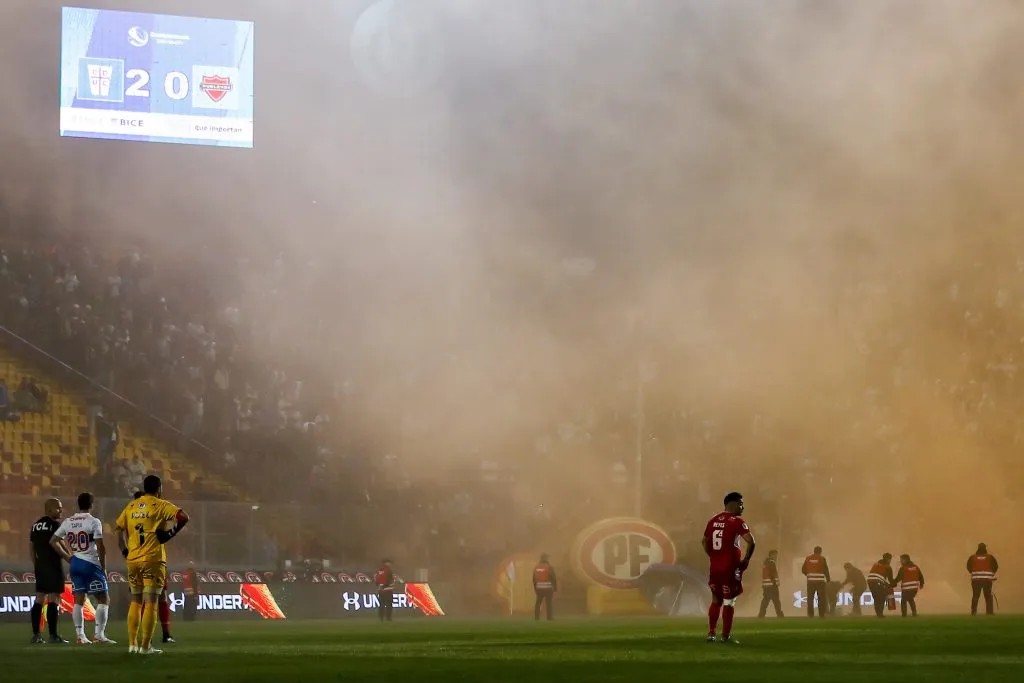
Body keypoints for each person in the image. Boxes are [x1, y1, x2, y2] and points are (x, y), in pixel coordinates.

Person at [115, 475, 189, 655]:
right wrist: (169, 534)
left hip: (133, 560)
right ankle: (146, 646)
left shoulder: (131, 506)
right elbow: (183, 517)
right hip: (152, 559)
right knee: (151, 602)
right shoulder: (161, 504)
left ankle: (132, 644)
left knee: (136, 601)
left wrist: (125, 550)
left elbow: (118, 528)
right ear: (159, 488)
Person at [50, 492, 115, 644]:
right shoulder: (94, 522)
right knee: (103, 599)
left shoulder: (68, 521)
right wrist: (103, 567)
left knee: (78, 600)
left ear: (78, 505)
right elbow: (100, 546)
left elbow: (53, 540)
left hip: (75, 563)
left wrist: (68, 558)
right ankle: (99, 635)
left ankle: (80, 636)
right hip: (91, 564)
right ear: (92, 505)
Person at [702, 491, 756, 644]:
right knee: (729, 601)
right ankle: (726, 636)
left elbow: (704, 541)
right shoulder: (737, 522)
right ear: (732, 504)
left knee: (715, 600)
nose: (743, 507)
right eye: (740, 503)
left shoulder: (712, 520)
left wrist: (713, 556)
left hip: (715, 567)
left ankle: (711, 634)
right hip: (730, 568)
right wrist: (745, 560)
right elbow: (751, 542)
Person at [133, 490, 175, 643]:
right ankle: (163, 634)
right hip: (153, 560)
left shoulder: (130, 516)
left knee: (142, 598)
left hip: (136, 561)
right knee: (158, 597)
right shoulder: (153, 515)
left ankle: (147, 636)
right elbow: (164, 531)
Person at [30, 498, 72, 644]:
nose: (61, 511)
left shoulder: (36, 525)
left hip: (41, 566)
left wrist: (36, 565)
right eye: (58, 508)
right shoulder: (54, 525)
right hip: (53, 565)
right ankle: (53, 636)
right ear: (49, 509)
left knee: (40, 598)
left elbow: (32, 547)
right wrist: (70, 559)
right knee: (54, 598)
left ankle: (36, 635)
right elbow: (57, 544)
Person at [967, 543, 998, 616]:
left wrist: (973, 572)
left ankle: (973, 612)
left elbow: (968, 566)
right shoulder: (990, 557)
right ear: (985, 548)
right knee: (988, 596)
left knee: (975, 596)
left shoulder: (972, 557)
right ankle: (989, 612)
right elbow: (995, 566)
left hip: (976, 580)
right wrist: (992, 573)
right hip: (987, 580)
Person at [801, 546, 831, 618]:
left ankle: (810, 615)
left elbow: (803, 569)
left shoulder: (808, 558)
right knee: (821, 598)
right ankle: (821, 615)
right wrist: (828, 579)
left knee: (810, 599)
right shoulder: (822, 558)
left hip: (810, 582)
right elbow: (826, 569)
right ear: (820, 551)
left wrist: (808, 575)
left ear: (814, 551)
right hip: (820, 582)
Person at [867, 553, 896, 618]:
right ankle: (880, 614)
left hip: (870, 582)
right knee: (881, 598)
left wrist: (886, 584)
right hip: (878, 582)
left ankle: (878, 614)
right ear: (889, 559)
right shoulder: (888, 567)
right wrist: (893, 584)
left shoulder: (876, 564)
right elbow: (890, 579)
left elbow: (879, 577)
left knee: (876, 598)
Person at [757, 550, 784, 618]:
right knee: (776, 601)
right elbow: (772, 575)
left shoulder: (765, 563)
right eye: (775, 555)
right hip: (772, 585)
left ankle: (761, 614)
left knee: (766, 600)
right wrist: (775, 583)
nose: (776, 557)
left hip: (766, 585)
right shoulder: (771, 563)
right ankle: (779, 614)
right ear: (771, 555)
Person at [532, 552, 557, 621]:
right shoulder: (549, 567)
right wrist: (555, 589)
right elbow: (553, 578)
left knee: (538, 603)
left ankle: (537, 618)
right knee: (548, 604)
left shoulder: (536, 567)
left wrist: (535, 588)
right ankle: (549, 618)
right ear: (546, 558)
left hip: (539, 588)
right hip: (548, 588)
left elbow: (534, 579)